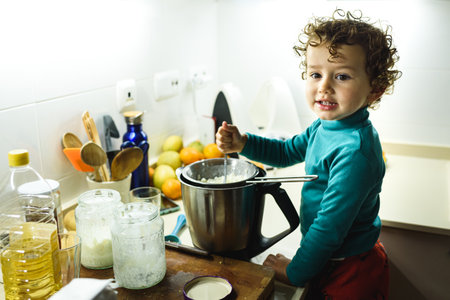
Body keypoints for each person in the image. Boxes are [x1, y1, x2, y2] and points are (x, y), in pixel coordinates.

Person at [215, 9, 401, 299]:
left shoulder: (354, 152)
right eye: (315, 74)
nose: (323, 87)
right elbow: (288, 150)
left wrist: (294, 271)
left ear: (375, 89)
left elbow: (328, 229)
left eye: (341, 76)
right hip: (330, 259)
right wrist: (244, 143)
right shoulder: (326, 126)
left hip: (352, 270)